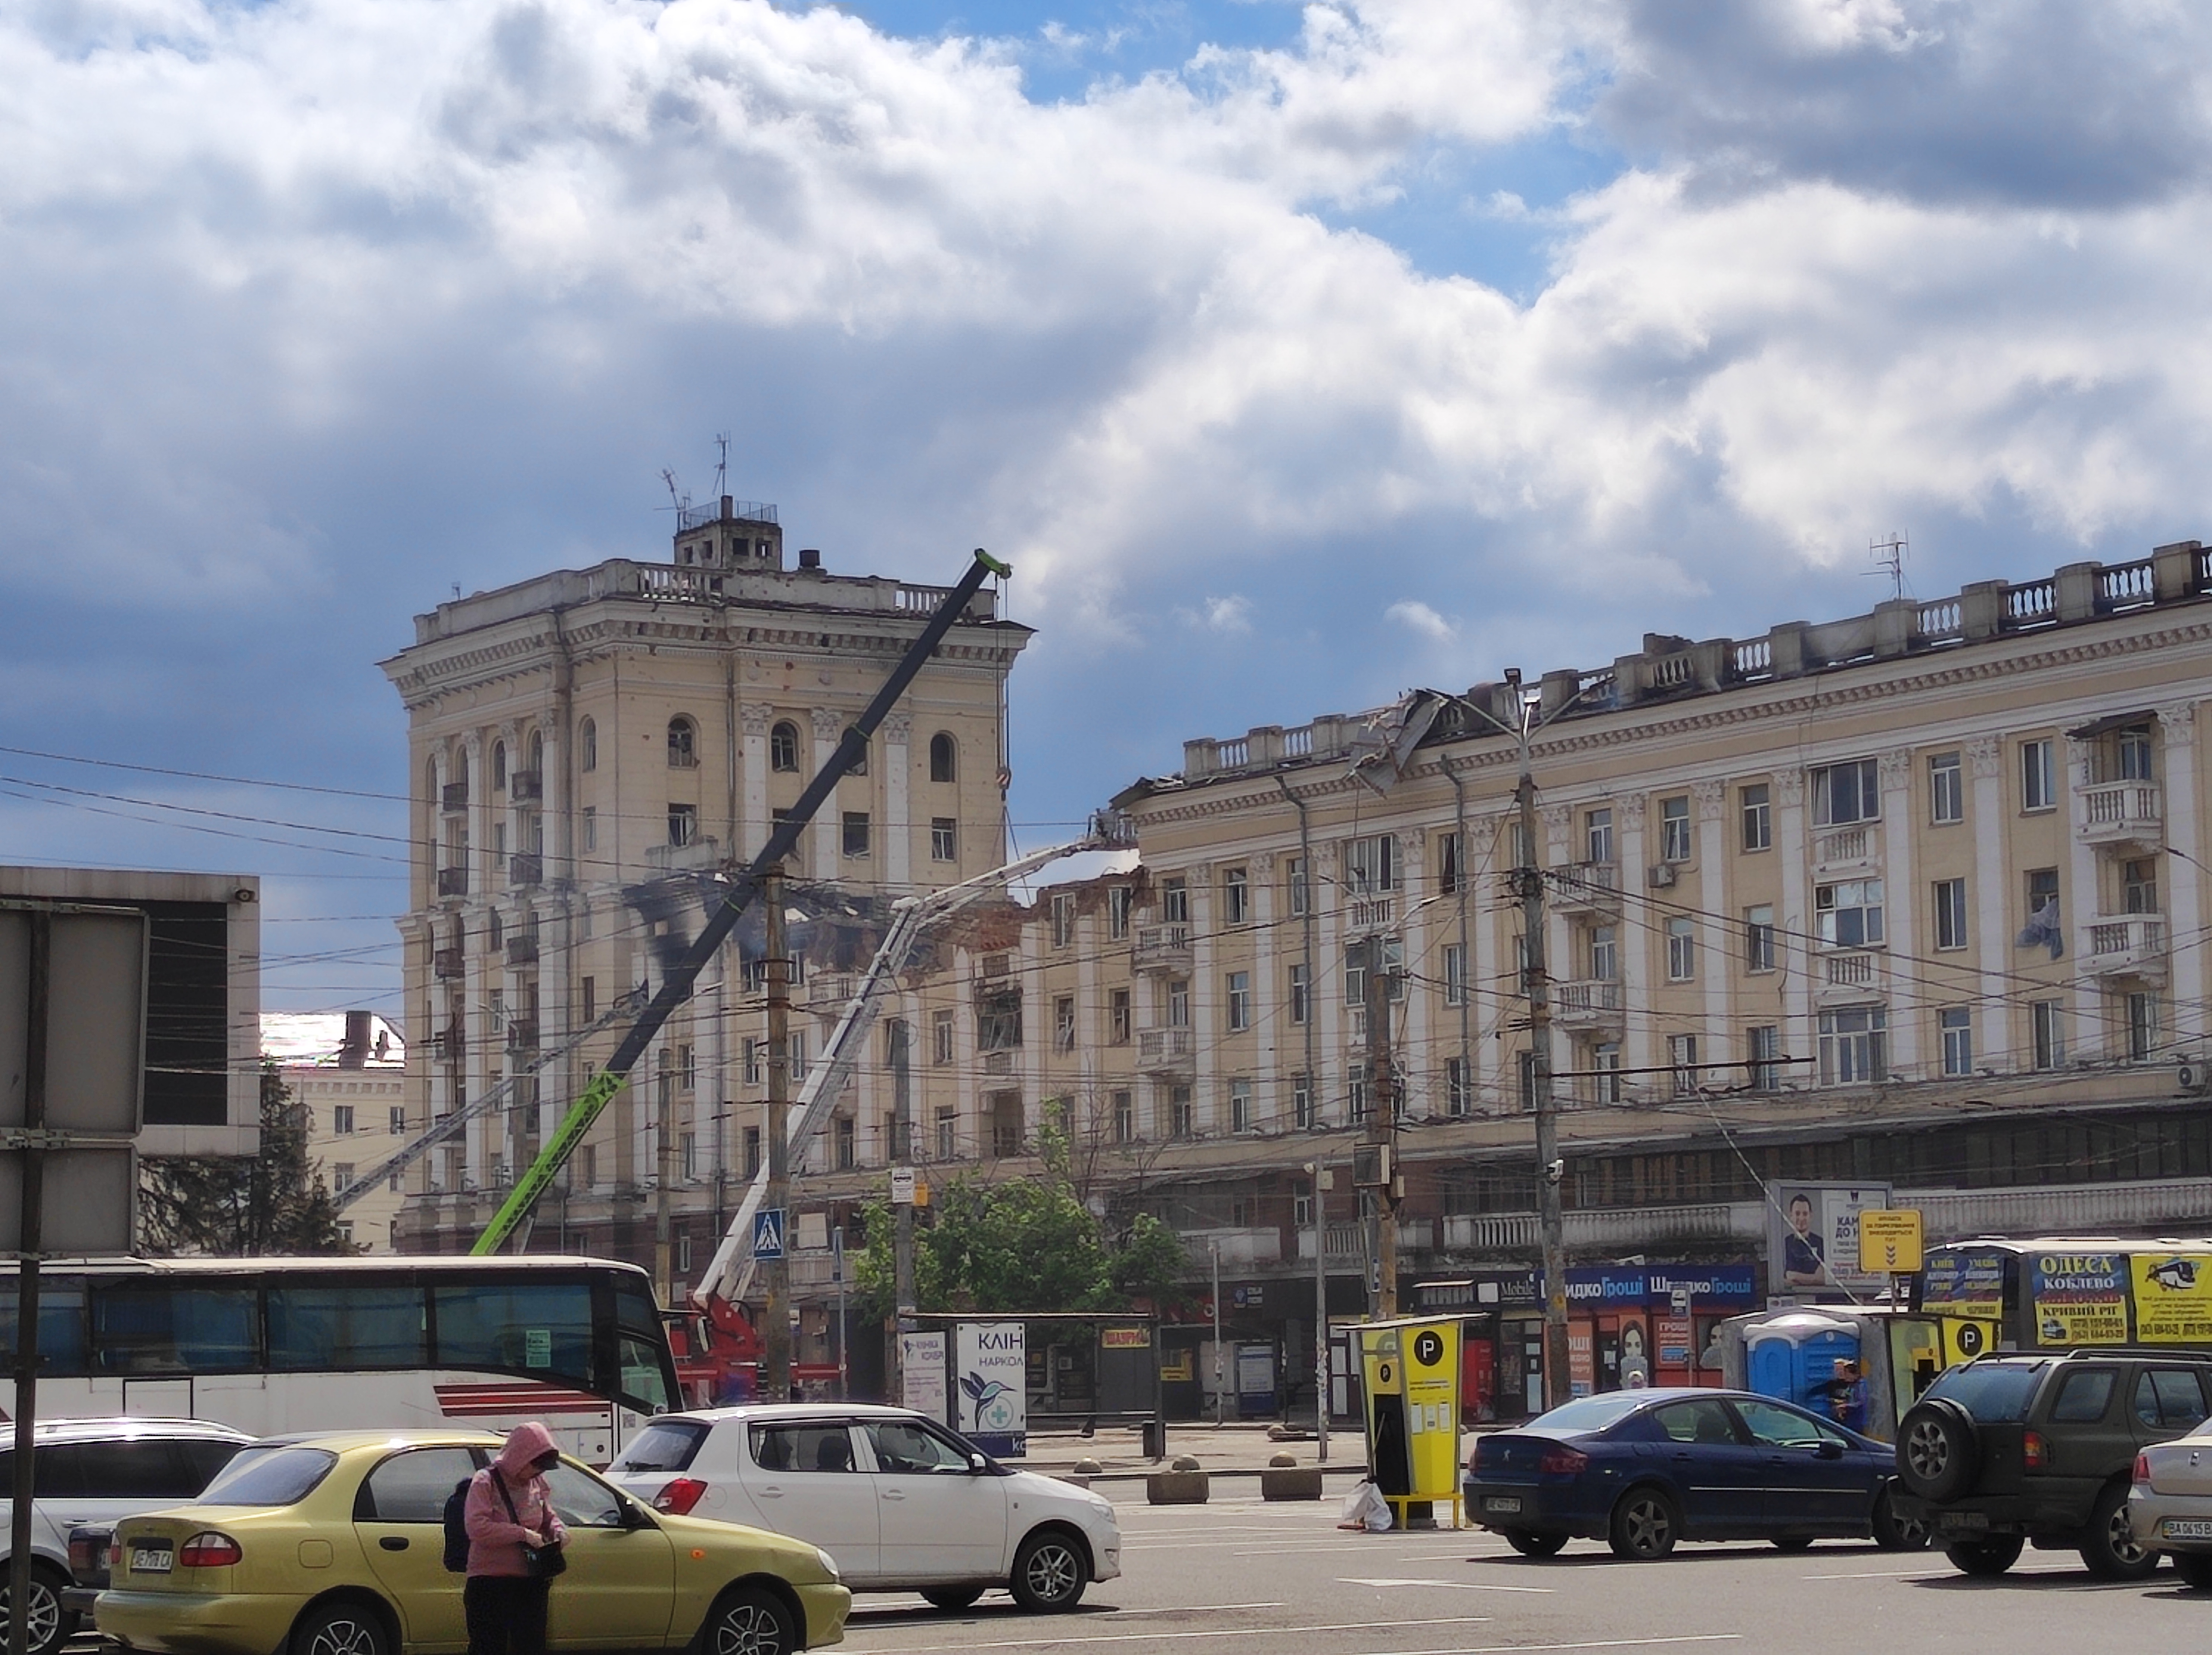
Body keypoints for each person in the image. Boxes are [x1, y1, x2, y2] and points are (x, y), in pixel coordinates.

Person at [465, 1421, 568, 1655]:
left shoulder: (538, 1483)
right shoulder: (485, 1481)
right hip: (490, 1582)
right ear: (520, 1456)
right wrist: (522, 1535)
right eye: (536, 1465)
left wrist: (558, 1531)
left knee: (531, 1645)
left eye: (544, 1467)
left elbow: (548, 1516)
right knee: (488, 1647)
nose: (538, 1471)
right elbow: (477, 1528)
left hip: (531, 1581)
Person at [1782, 1193, 1828, 1287]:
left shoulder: (1821, 1244)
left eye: (1805, 1214)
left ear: (1811, 1216)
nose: (1802, 1218)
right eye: (1797, 1214)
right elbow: (1783, 1282)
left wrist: (1795, 1276)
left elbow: (1823, 1279)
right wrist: (1812, 1278)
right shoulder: (1783, 1244)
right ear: (1791, 1216)